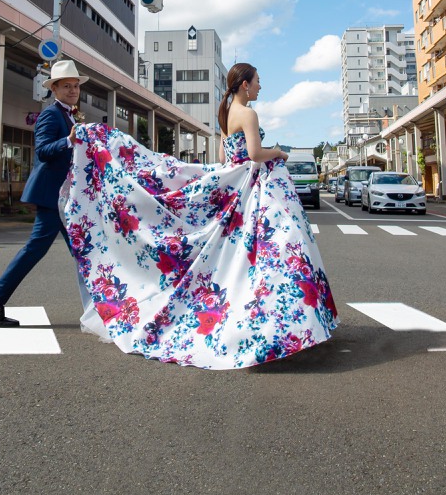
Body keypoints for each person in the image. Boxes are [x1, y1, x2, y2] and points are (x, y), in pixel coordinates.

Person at [61, 62, 337, 369]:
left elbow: (223, 159)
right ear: (245, 85)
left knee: (244, 255)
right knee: (277, 250)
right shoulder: (248, 113)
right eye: (257, 81)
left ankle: (277, 323)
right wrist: (280, 153)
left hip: (237, 184)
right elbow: (256, 155)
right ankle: (286, 325)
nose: (260, 86)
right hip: (254, 187)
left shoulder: (226, 114)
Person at [0, 59, 91, 328]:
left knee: (82, 251)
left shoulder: (71, 115)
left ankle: (100, 308)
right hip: (53, 197)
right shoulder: (51, 115)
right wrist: (69, 140)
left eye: (76, 86)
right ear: (55, 89)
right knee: (39, 250)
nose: (73, 90)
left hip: (67, 198)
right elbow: (42, 151)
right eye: (67, 86)